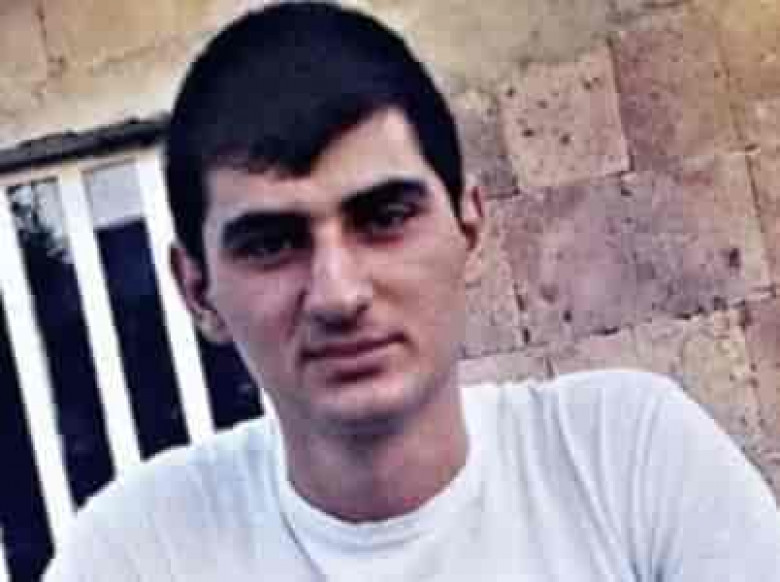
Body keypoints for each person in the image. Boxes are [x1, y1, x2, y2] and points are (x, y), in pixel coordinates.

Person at [45, 2, 780, 580]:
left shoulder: (627, 459)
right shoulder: (140, 553)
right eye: (271, 244)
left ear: (469, 224)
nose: (338, 294)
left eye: (385, 217)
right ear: (197, 290)